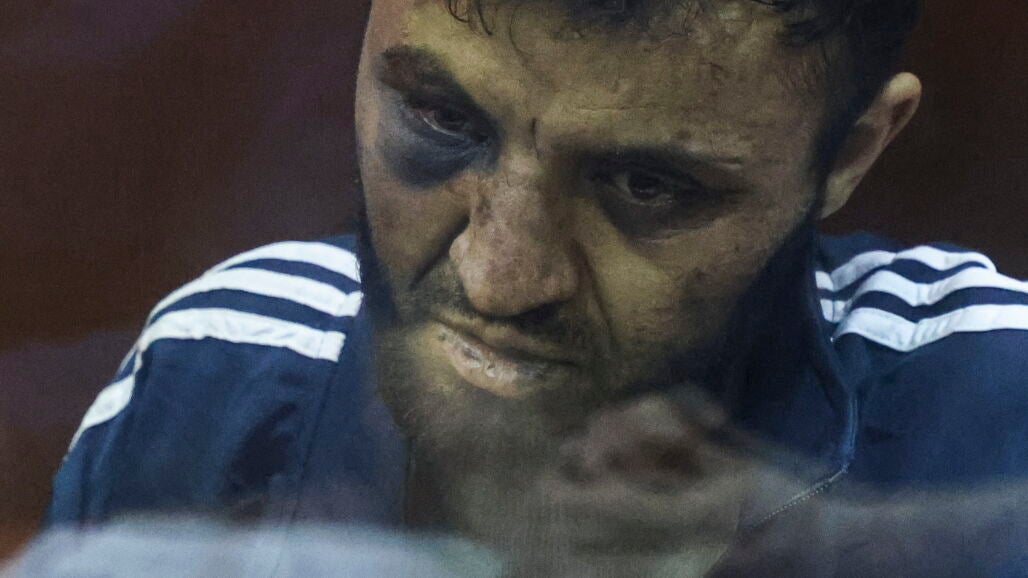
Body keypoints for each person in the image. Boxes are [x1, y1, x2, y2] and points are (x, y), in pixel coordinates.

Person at [43, 0, 1028, 575]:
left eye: (646, 184)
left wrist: (854, 541)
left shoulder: (993, 406)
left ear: (848, 151)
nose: (498, 278)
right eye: (441, 119)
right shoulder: (220, 373)